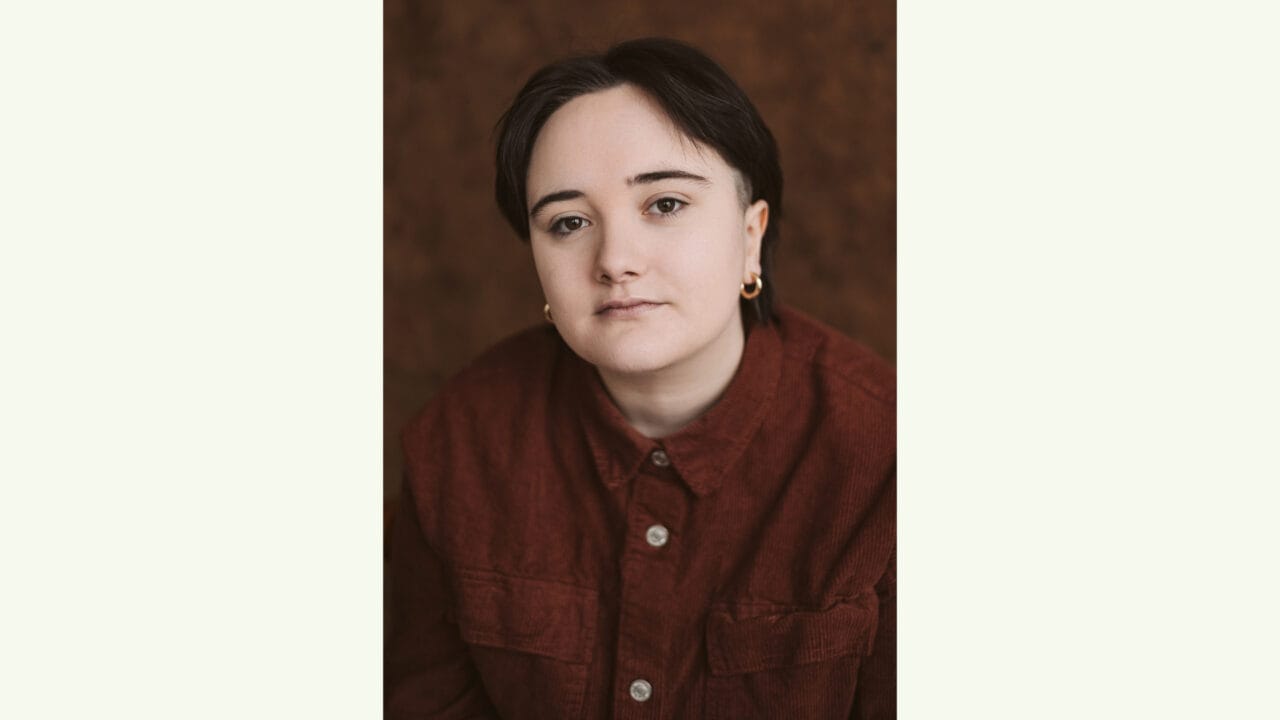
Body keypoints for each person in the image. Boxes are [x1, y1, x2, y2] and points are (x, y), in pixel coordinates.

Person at [386, 37, 895, 719]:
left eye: (665, 205)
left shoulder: (888, 455)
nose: (615, 259)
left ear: (751, 234)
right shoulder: (457, 441)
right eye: (568, 222)